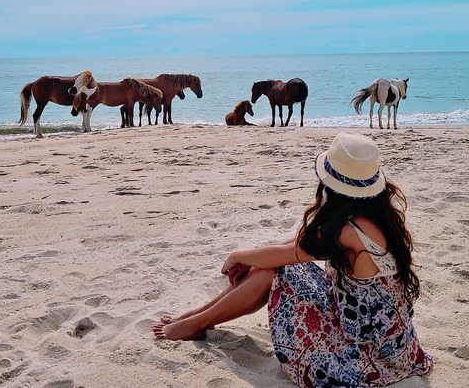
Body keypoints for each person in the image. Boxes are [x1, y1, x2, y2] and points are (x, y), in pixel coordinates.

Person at [152, 132, 432, 387]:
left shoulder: (348, 232)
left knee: (273, 271)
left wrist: (237, 255)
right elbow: (297, 245)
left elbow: (288, 255)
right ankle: (200, 317)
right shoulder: (378, 216)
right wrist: (253, 257)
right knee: (274, 263)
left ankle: (198, 322)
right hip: (396, 347)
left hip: (360, 358)